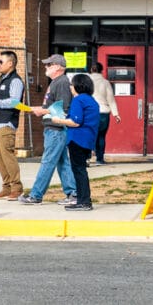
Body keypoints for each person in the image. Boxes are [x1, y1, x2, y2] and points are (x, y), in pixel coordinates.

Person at [19, 54, 77, 205]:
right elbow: (52, 107)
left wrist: (42, 111)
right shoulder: (57, 82)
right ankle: (72, 194)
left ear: (58, 67)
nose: (46, 67)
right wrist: (37, 109)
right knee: (63, 162)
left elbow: (63, 108)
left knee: (47, 162)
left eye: (49, 65)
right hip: (54, 129)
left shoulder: (62, 82)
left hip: (56, 129)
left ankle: (36, 195)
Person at [48, 73, 101, 211]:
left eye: (72, 84)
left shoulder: (78, 100)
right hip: (87, 140)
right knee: (81, 170)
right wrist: (65, 116)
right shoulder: (91, 100)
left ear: (78, 85)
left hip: (77, 139)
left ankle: (84, 201)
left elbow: (75, 122)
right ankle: (84, 199)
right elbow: (79, 118)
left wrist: (58, 120)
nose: (70, 87)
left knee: (78, 171)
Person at [0, 50, 24, 200]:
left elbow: (14, 102)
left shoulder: (16, 81)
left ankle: (16, 188)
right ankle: (6, 187)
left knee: (8, 156)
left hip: (6, 123)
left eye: (1, 62)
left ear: (10, 63)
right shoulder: (1, 78)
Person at [88, 62, 120, 165]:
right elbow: (110, 99)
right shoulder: (105, 82)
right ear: (101, 70)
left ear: (91, 70)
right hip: (103, 112)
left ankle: (86, 158)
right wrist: (116, 114)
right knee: (101, 136)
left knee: (88, 135)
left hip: (89, 112)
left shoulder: (86, 81)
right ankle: (99, 159)